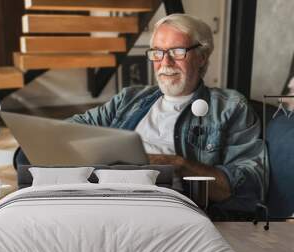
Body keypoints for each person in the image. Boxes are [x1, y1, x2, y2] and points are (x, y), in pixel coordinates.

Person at [14, 14, 267, 217]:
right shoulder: (130, 98)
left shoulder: (230, 107)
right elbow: (73, 129)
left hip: (167, 204)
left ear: (202, 57)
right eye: (157, 52)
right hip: (104, 189)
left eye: (177, 52)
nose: (165, 62)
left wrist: (179, 164)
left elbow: (249, 185)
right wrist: (37, 140)